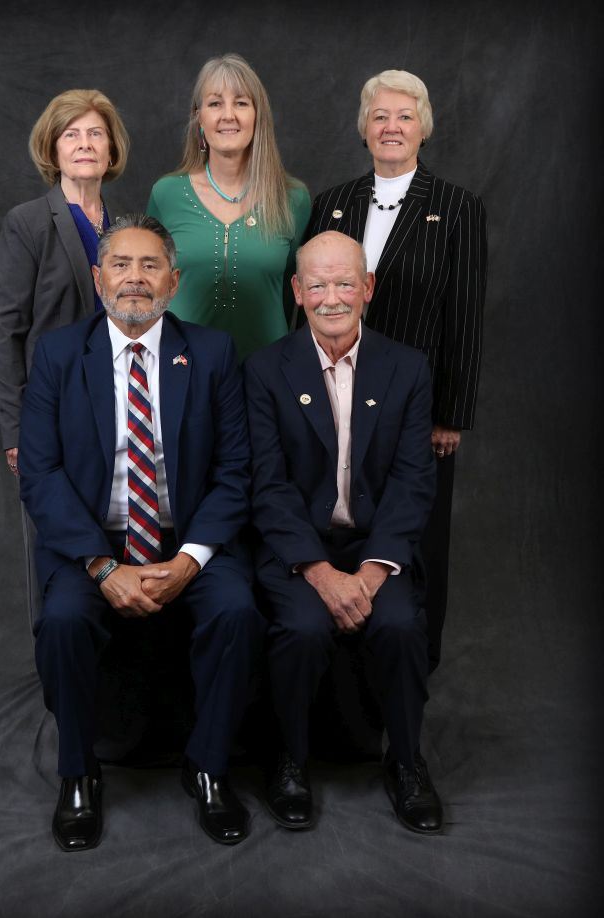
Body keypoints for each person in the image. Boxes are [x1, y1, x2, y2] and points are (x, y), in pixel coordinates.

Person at [18, 214, 264, 851]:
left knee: (237, 608)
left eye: (149, 265)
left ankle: (208, 767)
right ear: (98, 278)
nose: (135, 278)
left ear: (173, 280)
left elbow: (236, 470)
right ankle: (79, 774)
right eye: (121, 265)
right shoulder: (58, 354)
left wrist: (189, 560)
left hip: (187, 538)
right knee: (65, 621)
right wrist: (101, 567)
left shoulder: (209, 353)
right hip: (92, 545)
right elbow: (40, 474)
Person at [244, 231, 443, 835]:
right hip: (300, 551)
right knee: (302, 628)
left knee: (403, 623)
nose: (333, 297)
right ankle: (289, 763)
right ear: (298, 293)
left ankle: (406, 762)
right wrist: (321, 573)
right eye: (319, 284)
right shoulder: (264, 369)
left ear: (368, 288)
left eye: (345, 282)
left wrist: (374, 571)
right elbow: (268, 486)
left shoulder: (407, 368)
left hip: (373, 547)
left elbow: (413, 483)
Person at [305, 69, 487, 671]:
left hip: (418, 408)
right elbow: (306, 300)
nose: (391, 126)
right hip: (335, 393)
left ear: (424, 129)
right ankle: (334, 670)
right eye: (380, 116)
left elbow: (465, 317)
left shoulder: (457, 207)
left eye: (405, 116)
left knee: (414, 542)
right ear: (363, 128)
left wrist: (450, 416)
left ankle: (413, 672)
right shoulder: (332, 202)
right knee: (337, 525)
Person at [0, 88, 129, 622]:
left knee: (110, 536)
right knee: (54, 544)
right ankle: (56, 673)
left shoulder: (120, 228)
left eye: (96, 133)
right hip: (51, 412)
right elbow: (6, 331)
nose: (85, 144)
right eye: (72, 134)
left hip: (117, 407)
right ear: (53, 148)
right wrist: (16, 430)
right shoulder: (27, 222)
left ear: (112, 151)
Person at [146, 52, 310, 361]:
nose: (228, 115)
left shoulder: (293, 198)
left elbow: (293, 295)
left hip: (267, 373)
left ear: (258, 116)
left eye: (241, 103)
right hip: (182, 371)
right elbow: (150, 286)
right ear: (199, 117)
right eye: (215, 103)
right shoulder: (167, 193)